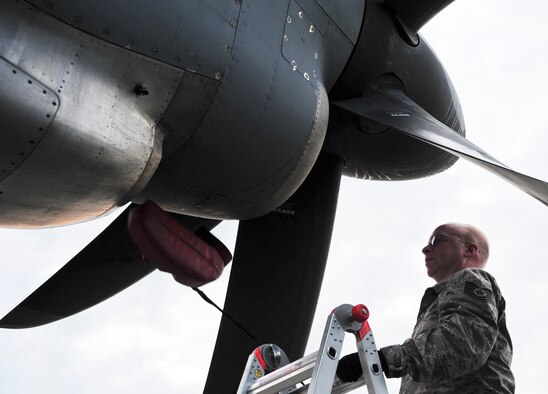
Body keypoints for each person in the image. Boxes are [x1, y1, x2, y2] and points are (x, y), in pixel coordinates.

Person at [337, 223, 515, 393]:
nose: (426, 249)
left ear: (469, 250)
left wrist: (383, 359)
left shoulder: (472, 277)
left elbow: (463, 343)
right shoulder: (443, 297)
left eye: (437, 240)